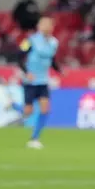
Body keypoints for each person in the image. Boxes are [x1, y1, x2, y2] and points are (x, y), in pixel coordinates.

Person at [15, 17, 61, 149]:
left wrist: (59, 70)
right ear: (39, 27)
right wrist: (26, 72)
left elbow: (52, 59)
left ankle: (35, 138)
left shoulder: (54, 42)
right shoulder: (30, 40)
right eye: (44, 25)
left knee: (45, 109)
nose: (47, 27)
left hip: (43, 81)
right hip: (30, 81)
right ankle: (13, 106)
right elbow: (18, 56)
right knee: (28, 111)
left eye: (49, 25)